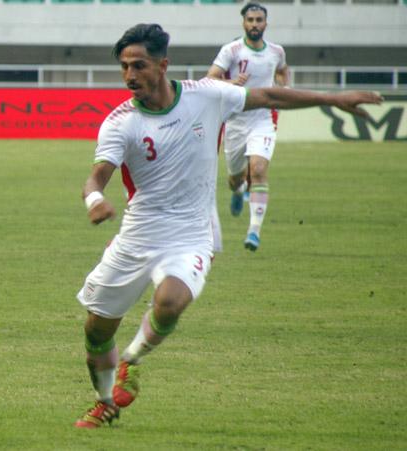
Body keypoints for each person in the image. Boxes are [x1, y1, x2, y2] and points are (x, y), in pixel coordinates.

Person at [73, 23, 381, 428]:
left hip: (191, 234)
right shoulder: (120, 122)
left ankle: (131, 360)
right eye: (124, 67)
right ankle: (103, 401)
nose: (130, 75)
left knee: (170, 302)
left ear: (163, 65)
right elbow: (96, 178)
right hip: (137, 235)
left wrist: (334, 98)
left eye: (139, 65)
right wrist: (95, 200)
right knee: (96, 332)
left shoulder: (206, 95)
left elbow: (269, 95)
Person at [206, 2, 290, 251]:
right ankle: (238, 190)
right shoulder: (231, 50)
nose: (254, 24)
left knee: (259, 169)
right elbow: (210, 78)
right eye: (250, 20)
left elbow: (282, 71)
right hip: (236, 122)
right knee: (235, 179)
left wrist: (283, 88)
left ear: (265, 23)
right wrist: (232, 82)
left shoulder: (276, 51)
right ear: (244, 23)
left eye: (258, 20)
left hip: (262, 120)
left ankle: (254, 231)